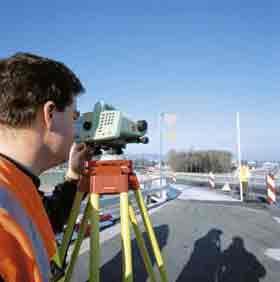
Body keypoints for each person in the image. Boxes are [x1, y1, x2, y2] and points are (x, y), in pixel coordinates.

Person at [0, 53, 91, 281]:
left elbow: (43, 220)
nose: (75, 129)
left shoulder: (13, 183)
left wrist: (72, 176)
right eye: (74, 117)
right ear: (50, 114)